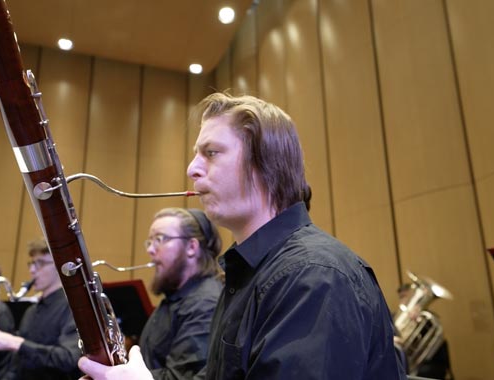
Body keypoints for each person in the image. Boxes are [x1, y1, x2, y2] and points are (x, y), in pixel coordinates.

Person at [78, 93, 407, 379]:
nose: (192, 168)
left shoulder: (315, 275)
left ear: (265, 164)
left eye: (211, 152)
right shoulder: (249, 273)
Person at [0, 239, 81, 380]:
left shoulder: (74, 307)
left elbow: (69, 359)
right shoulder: (31, 311)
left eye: (40, 263)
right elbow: (19, 363)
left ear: (60, 266)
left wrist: (16, 343)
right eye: (32, 263)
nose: (32, 270)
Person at [140, 207, 223, 379]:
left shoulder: (205, 303)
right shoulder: (176, 297)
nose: (151, 250)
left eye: (160, 239)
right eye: (150, 241)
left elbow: (179, 377)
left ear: (191, 247)